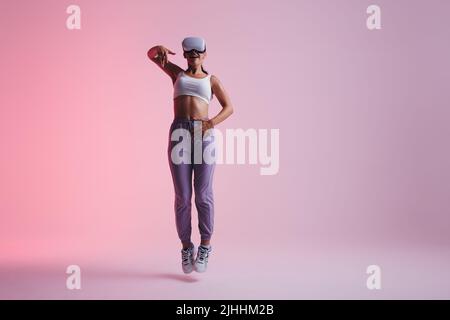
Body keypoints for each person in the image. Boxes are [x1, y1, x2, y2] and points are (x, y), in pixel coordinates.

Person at [147, 37, 234, 273]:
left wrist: (211, 123)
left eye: (198, 51)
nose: (194, 55)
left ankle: (205, 245)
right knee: (183, 196)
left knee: (203, 195)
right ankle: (187, 247)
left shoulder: (211, 80)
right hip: (179, 133)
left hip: (202, 133)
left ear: (205, 54)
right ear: (185, 55)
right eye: (190, 52)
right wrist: (158, 48)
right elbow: (152, 54)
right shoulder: (177, 74)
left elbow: (229, 107)